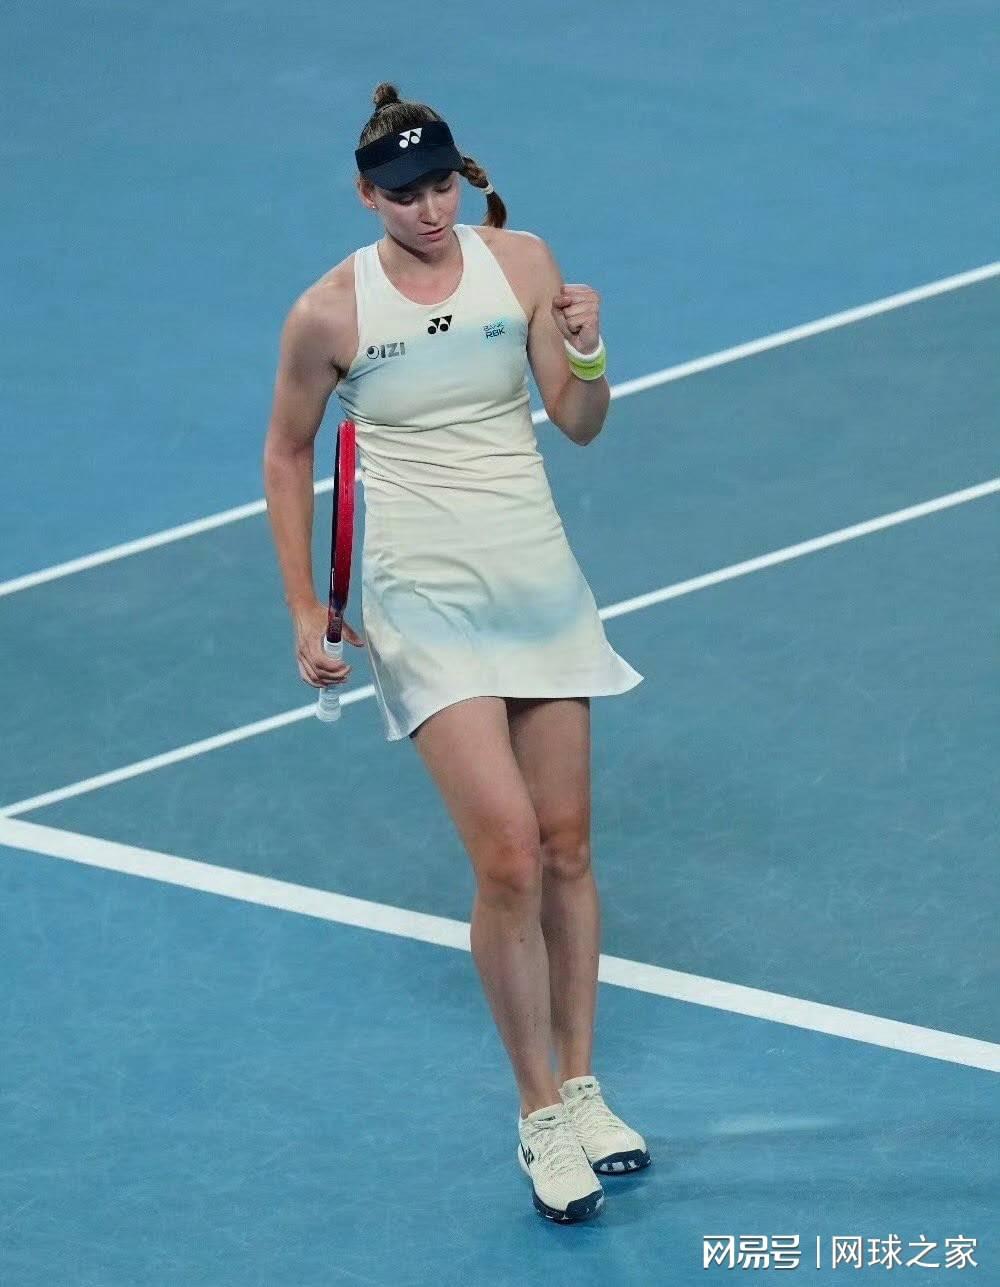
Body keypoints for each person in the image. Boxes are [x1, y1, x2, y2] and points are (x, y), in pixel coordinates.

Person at [263, 82, 651, 1224]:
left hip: (536, 579)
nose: (429, 211)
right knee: (510, 857)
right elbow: (287, 454)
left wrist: (586, 352)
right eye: (404, 196)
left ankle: (582, 1088)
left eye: (441, 187)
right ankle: (537, 1114)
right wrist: (304, 604)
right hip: (420, 598)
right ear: (365, 195)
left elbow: (579, 424)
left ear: (460, 178)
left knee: (568, 845)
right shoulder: (329, 312)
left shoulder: (521, 263)